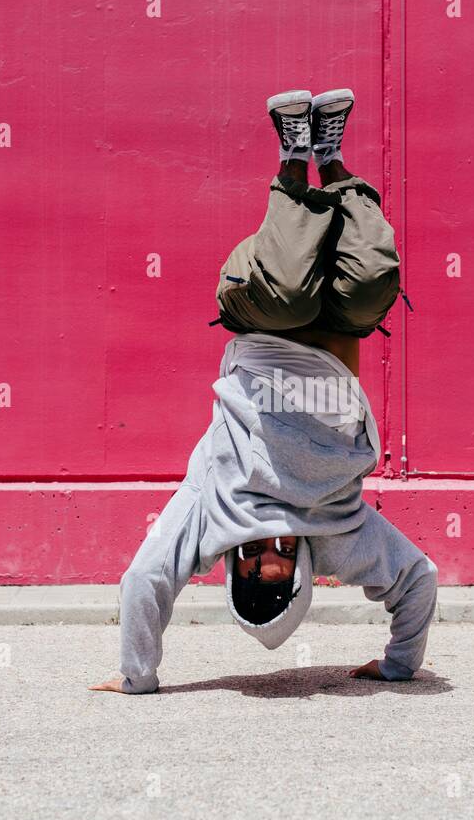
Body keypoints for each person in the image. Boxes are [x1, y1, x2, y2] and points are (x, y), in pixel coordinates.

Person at [91, 88, 437, 695]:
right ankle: (332, 160)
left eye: (251, 562)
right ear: (302, 571)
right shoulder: (338, 540)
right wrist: (399, 666)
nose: (263, 551)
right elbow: (418, 579)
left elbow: (145, 579)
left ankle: (292, 158)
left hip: (257, 311)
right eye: (280, 562)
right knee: (371, 283)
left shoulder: (209, 517)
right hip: (338, 333)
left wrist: (136, 677)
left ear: (232, 568)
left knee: (289, 293)